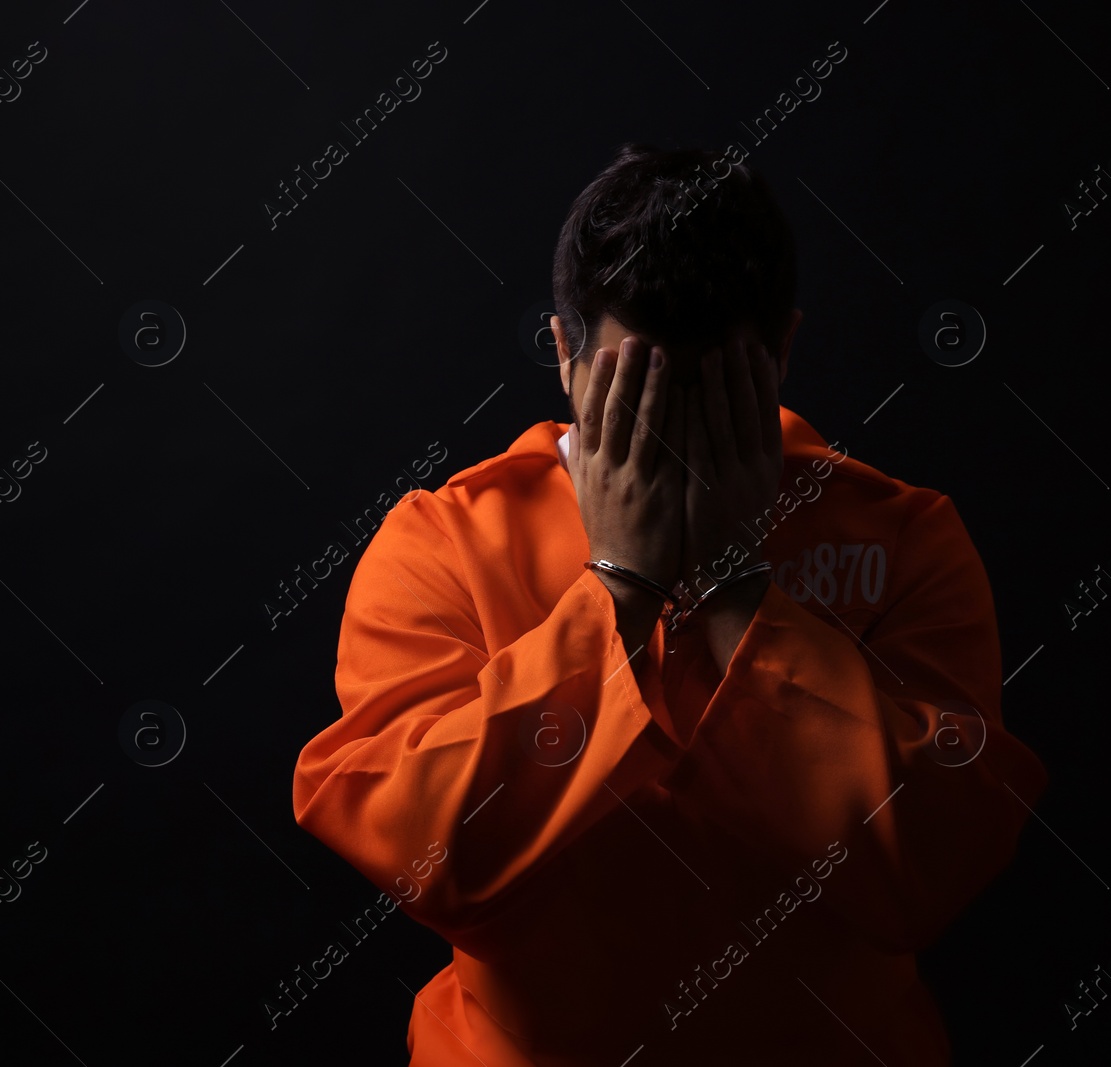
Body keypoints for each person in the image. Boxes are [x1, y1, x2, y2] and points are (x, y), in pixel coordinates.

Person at [291, 143, 1048, 1065]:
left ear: (780, 356)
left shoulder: (904, 536)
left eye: (713, 395)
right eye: (637, 394)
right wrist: (619, 583)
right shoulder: (442, 541)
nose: (676, 444)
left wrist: (733, 587)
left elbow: (930, 867)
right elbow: (430, 863)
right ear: (567, 354)